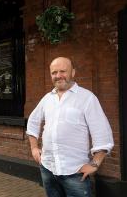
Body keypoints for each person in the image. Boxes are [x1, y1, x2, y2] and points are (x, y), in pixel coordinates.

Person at [26, 57, 114, 197]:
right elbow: (32, 122)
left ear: (73, 72)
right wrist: (34, 148)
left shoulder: (87, 98)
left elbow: (102, 133)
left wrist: (95, 164)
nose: (58, 75)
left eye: (63, 71)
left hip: (75, 173)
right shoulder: (47, 98)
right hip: (48, 168)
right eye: (54, 72)